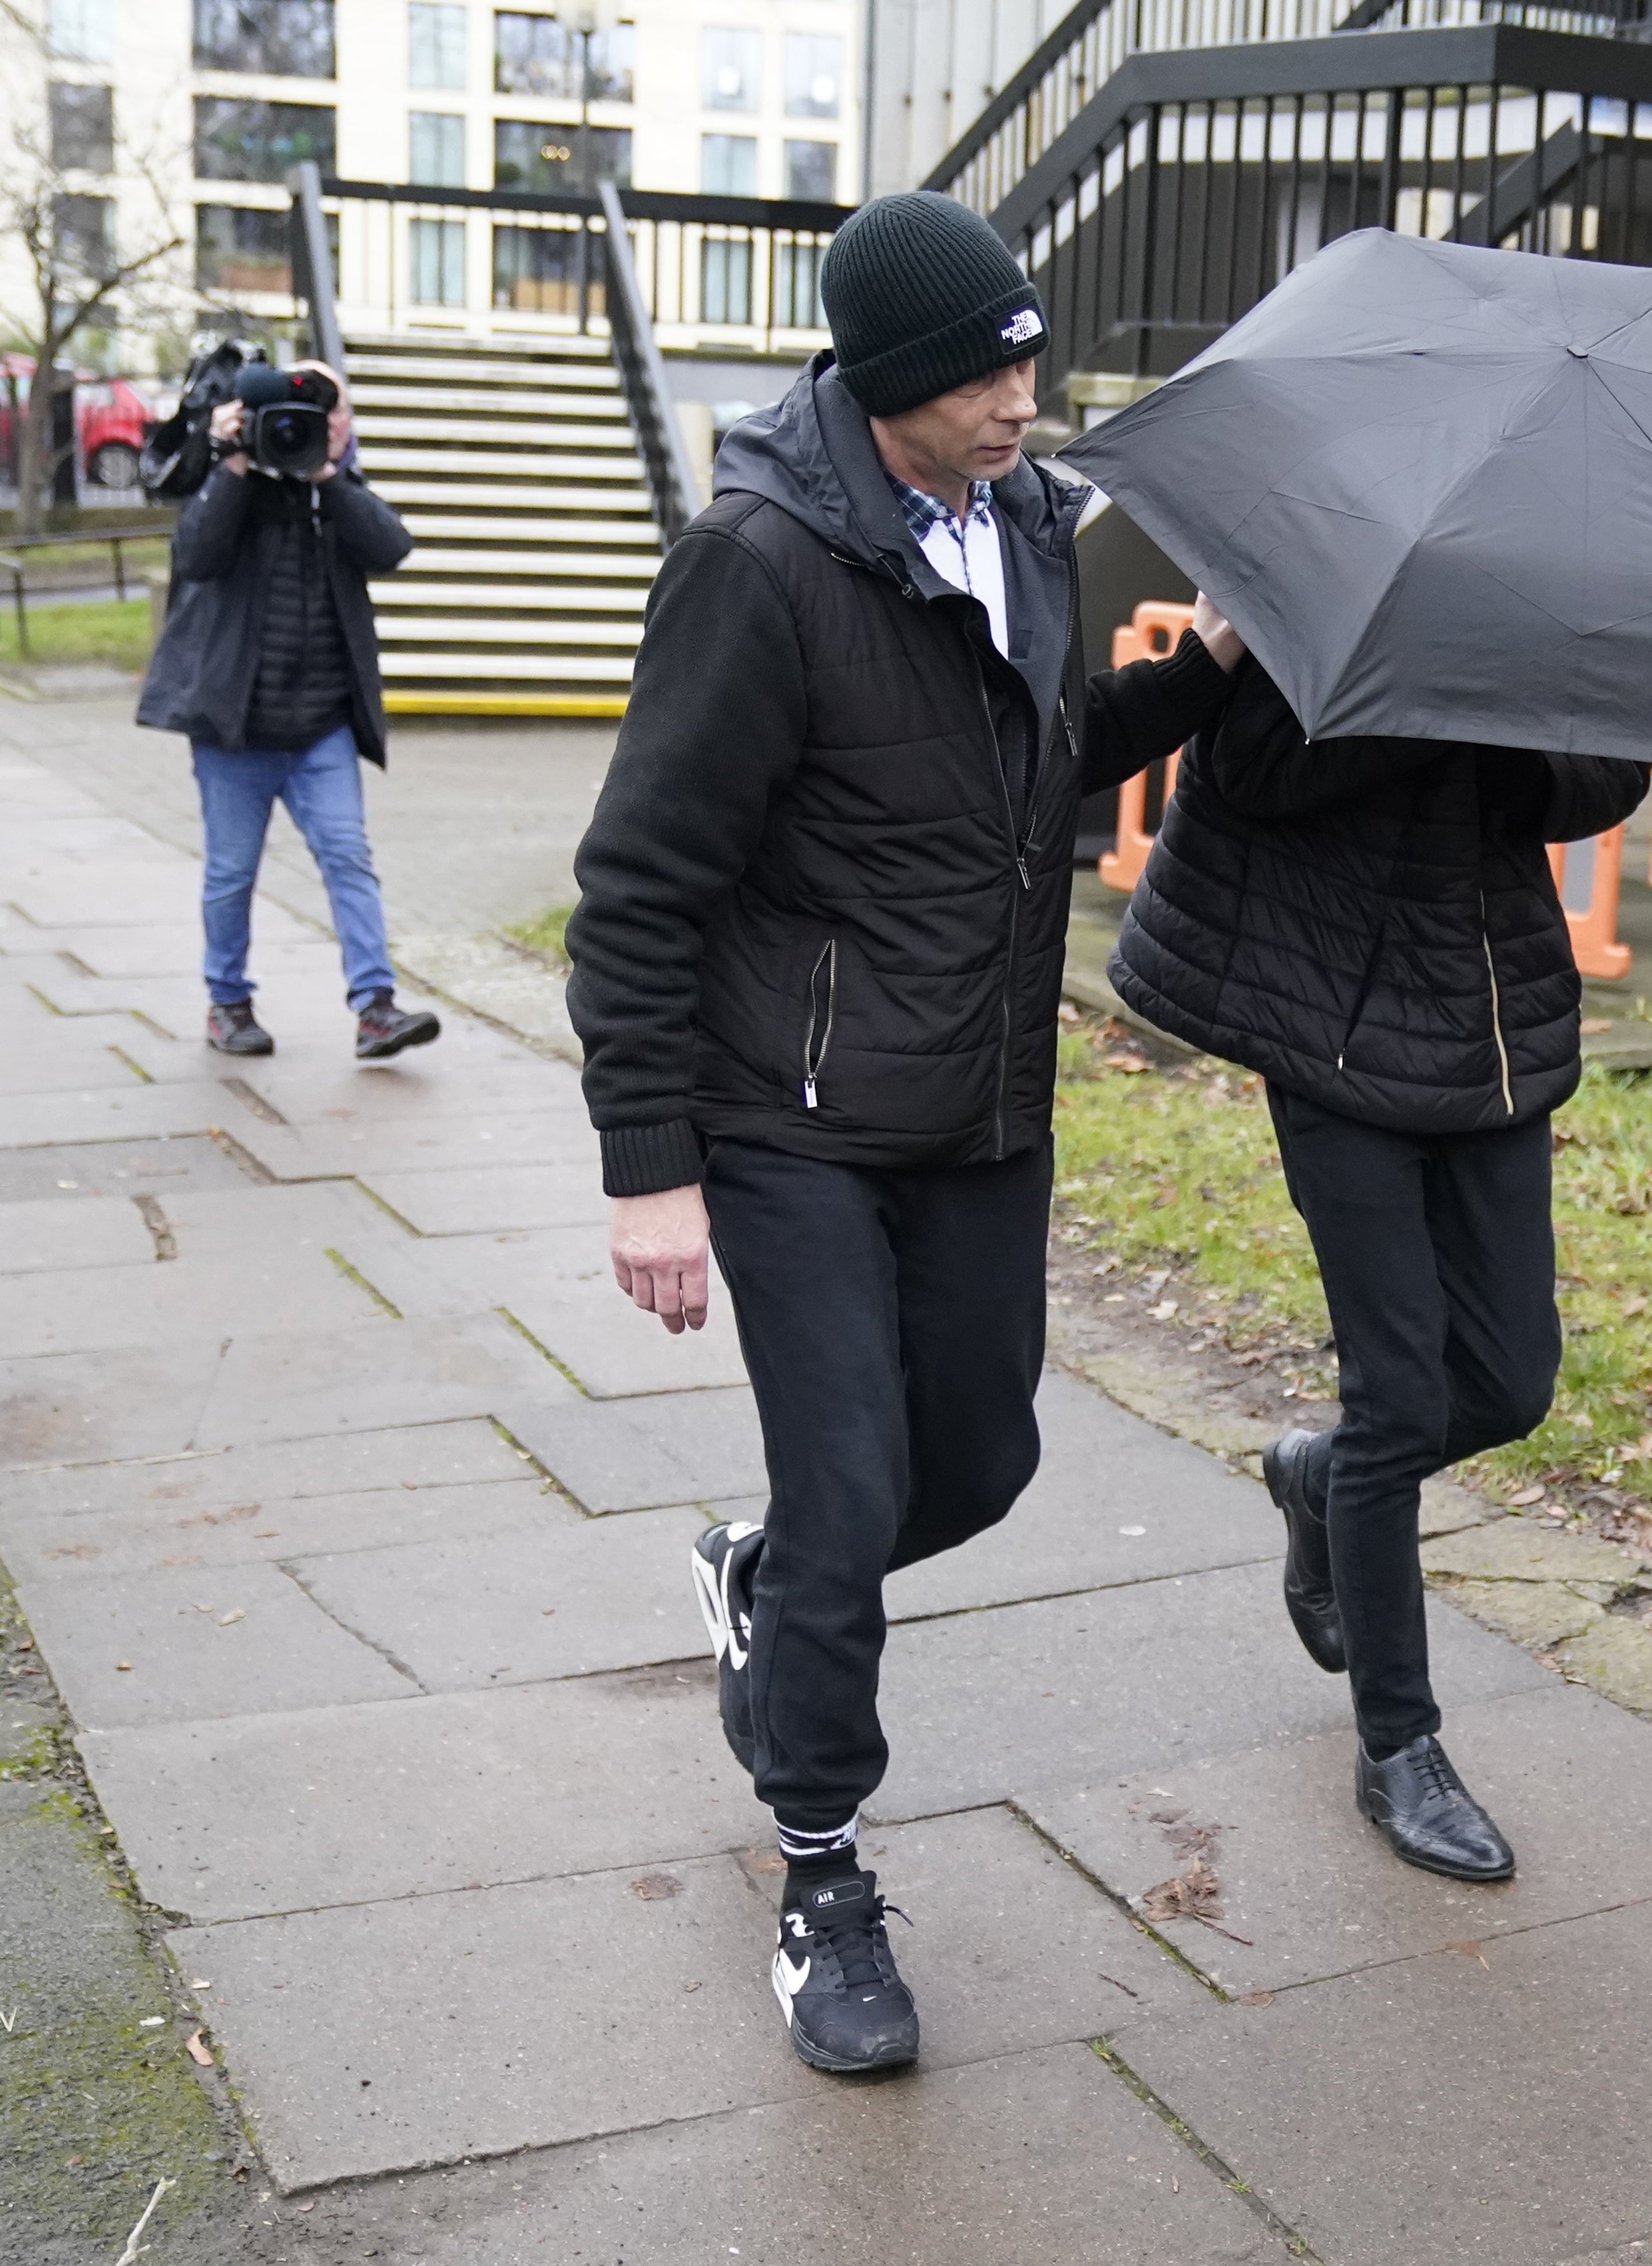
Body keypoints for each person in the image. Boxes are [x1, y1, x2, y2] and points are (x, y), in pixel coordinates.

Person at [564, 191, 1239, 2074]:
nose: (1028, 392)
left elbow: (1021, 763)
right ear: (893, 386)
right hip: (787, 1120)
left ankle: (761, 1580)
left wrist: (1197, 679)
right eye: (992, 368)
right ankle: (820, 1866)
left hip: (977, 1110)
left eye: (1029, 354)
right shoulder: (756, 567)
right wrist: (649, 1167)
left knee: (985, 1462)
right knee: (856, 1492)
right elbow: (636, 887)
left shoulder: (1025, 525)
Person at [1103, 641, 1649, 1882]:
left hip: (1490, 1020)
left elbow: (1608, 781)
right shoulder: (1318, 594)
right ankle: (1398, 1745)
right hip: (1328, 1022)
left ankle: (1320, 1481)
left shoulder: (1542, 603)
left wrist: (1516, 714)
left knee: (1510, 1384)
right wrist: (1421, 693)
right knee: (1397, 1397)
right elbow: (1243, 774)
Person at [137, 358, 441, 1060]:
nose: (318, 424)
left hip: (320, 726)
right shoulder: (231, 480)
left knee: (348, 857)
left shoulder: (333, 489)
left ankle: (376, 1008)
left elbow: (392, 546)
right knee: (231, 871)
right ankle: (228, 1002)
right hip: (235, 729)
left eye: (335, 410)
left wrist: (327, 476)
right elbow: (199, 556)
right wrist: (233, 460)